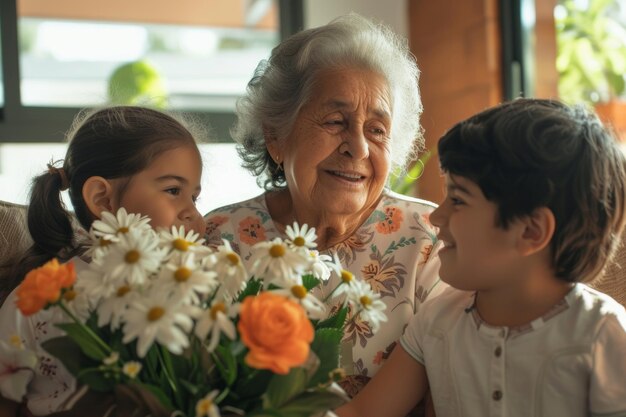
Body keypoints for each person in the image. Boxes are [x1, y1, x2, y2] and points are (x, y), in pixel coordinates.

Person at [335, 98, 626, 417]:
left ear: (531, 231)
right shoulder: (436, 322)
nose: (436, 217)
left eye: (457, 200)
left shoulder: (605, 334)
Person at [204, 13, 444, 396]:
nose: (359, 147)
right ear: (276, 136)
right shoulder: (220, 238)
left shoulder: (430, 238)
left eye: (377, 130)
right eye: (335, 121)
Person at [0, 106, 206, 416]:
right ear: (102, 199)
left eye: (195, 197)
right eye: (173, 190)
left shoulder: (200, 284)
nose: (192, 212)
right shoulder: (35, 301)